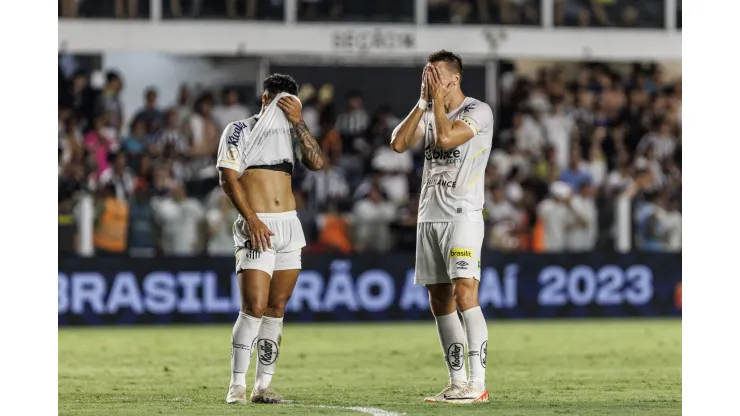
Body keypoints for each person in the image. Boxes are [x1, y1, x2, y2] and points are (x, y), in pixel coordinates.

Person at [390, 50, 493, 404]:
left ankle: (478, 383)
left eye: (433, 75)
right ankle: (457, 381)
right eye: (425, 74)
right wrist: (422, 102)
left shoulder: (479, 110)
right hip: (428, 216)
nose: (427, 80)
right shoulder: (429, 110)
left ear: (454, 79)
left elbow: (447, 139)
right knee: (439, 301)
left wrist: (434, 104)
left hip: (462, 215)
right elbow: (398, 143)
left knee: (465, 292)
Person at [218, 74, 324, 404]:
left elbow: (317, 162)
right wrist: (251, 219)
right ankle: (236, 385)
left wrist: (300, 122)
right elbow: (227, 177)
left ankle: (262, 387)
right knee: (254, 307)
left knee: (276, 308)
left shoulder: (293, 135)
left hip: (289, 226)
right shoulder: (240, 129)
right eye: (277, 101)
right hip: (257, 225)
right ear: (265, 99)